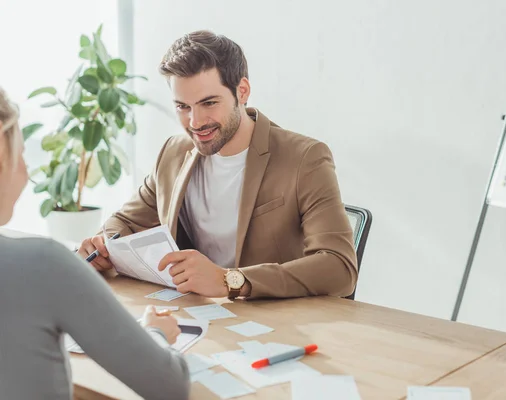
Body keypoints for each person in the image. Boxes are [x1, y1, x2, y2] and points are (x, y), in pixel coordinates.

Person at [77, 30, 358, 300]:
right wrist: (103, 244)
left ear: (242, 91)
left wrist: (231, 281)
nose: (195, 122)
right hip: (201, 315)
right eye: (182, 107)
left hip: (277, 320)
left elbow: (339, 267)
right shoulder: (173, 153)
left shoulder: (305, 157)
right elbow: (124, 222)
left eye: (209, 103)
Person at [0, 88, 190, 399]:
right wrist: (154, 332)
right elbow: (170, 386)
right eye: (20, 153)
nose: (26, 170)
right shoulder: (42, 262)